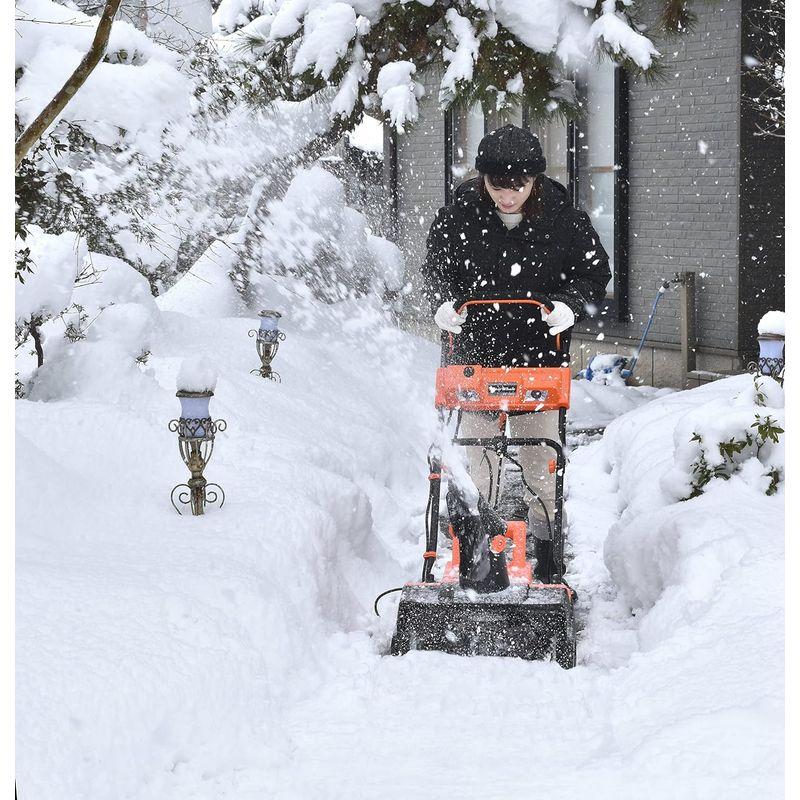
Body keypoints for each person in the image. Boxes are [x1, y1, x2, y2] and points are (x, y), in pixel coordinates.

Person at [421, 124, 611, 581]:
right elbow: (435, 273)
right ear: (483, 179)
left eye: (518, 187)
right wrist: (443, 305)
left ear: (535, 181)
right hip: (474, 358)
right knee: (474, 459)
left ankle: (546, 556)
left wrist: (569, 306)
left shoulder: (564, 220)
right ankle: (472, 550)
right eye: (497, 187)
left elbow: (593, 275)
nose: (507, 197)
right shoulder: (458, 218)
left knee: (540, 459)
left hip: (538, 360)